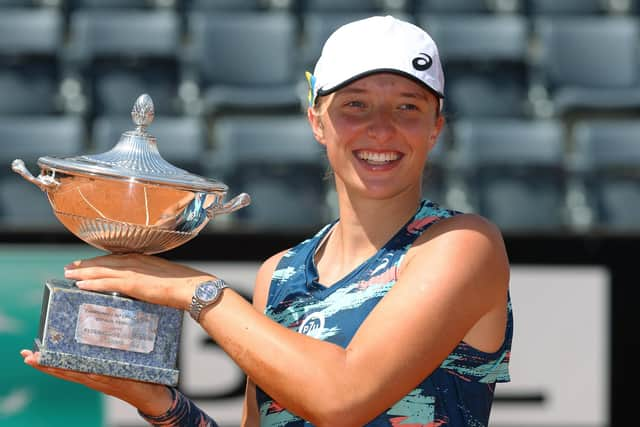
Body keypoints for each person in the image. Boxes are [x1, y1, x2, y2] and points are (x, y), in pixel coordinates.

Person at [21, 15, 512, 427]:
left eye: (408, 107)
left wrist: (200, 293)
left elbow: (342, 398)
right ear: (317, 121)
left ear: (436, 129)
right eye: (355, 105)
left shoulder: (462, 245)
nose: (381, 127)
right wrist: (160, 405)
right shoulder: (280, 273)